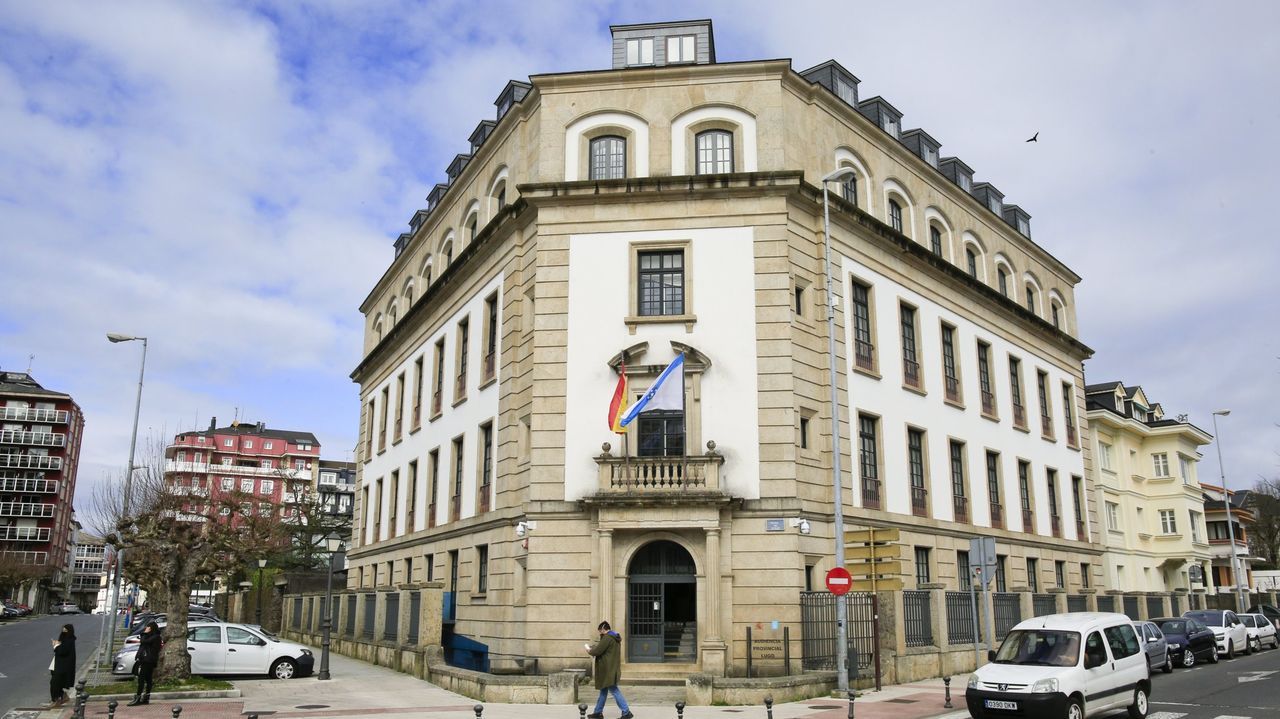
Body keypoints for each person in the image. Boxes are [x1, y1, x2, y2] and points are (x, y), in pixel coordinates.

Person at [585, 621, 633, 719]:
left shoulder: (607, 638)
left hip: (607, 669)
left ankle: (626, 712)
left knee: (614, 690)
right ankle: (598, 712)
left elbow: (598, 651)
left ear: (603, 629)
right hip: (611, 668)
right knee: (603, 691)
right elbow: (604, 649)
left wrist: (589, 650)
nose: (600, 633)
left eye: (600, 631)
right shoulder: (614, 637)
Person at [129, 620, 162, 706]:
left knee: (142, 679)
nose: (146, 629)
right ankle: (146, 697)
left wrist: (144, 633)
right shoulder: (151, 636)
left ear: (151, 628)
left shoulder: (155, 637)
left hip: (148, 660)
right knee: (147, 678)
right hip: (146, 660)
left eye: (147, 627)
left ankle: (139, 697)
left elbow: (144, 642)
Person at [47, 623, 76, 708]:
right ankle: (63, 696)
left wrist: (55, 645)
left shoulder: (69, 640)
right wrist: (58, 644)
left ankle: (56, 700)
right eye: (63, 630)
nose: (63, 632)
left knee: (54, 683)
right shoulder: (67, 640)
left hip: (62, 667)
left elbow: (63, 652)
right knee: (56, 682)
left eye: (66, 631)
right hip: (58, 665)